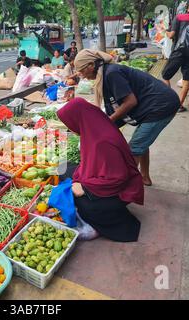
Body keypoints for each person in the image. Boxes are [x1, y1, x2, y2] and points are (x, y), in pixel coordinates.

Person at [74, 49, 180, 186]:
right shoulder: (105, 75)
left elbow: (130, 102)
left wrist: (108, 121)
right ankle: (144, 177)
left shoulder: (111, 73)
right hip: (152, 106)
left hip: (161, 106)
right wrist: (98, 127)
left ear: (91, 65)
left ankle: (123, 189)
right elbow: (115, 108)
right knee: (142, 142)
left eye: (82, 71)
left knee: (134, 149)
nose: (82, 76)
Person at [57, 98, 144, 242]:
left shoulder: (103, 142)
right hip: (103, 179)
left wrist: (85, 187)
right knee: (63, 168)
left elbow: (119, 178)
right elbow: (92, 163)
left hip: (118, 191)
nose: (70, 128)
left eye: (69, 124)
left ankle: (97, 227)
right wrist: (79, 180)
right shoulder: (95, 128)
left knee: (81, 202)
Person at [162, 1, 189, 112]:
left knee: (165, 76)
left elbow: (171, 35)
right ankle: (179, 105)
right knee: (187, 80)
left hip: (179, 51)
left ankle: (171, 102)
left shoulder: (179, 17)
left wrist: (165, 31)